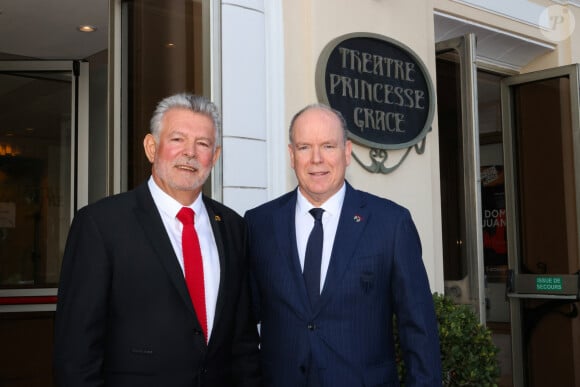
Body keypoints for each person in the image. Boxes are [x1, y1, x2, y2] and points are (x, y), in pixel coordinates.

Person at [54, 93, 261, 386]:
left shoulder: (233, 228)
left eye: (202, 144)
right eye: (177, 139)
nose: (189, 152)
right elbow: (75, 353)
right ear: (152, 148)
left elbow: (243, 343)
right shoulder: (101, 225)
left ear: (213, 157)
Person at [245, 103, 441, 386]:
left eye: (328, 146)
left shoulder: (391, 224)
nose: (316, 159)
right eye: (304, 147)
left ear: (346, 152)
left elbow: (419, 330)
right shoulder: (259, 224)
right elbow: (243, 326)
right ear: (291, 155)